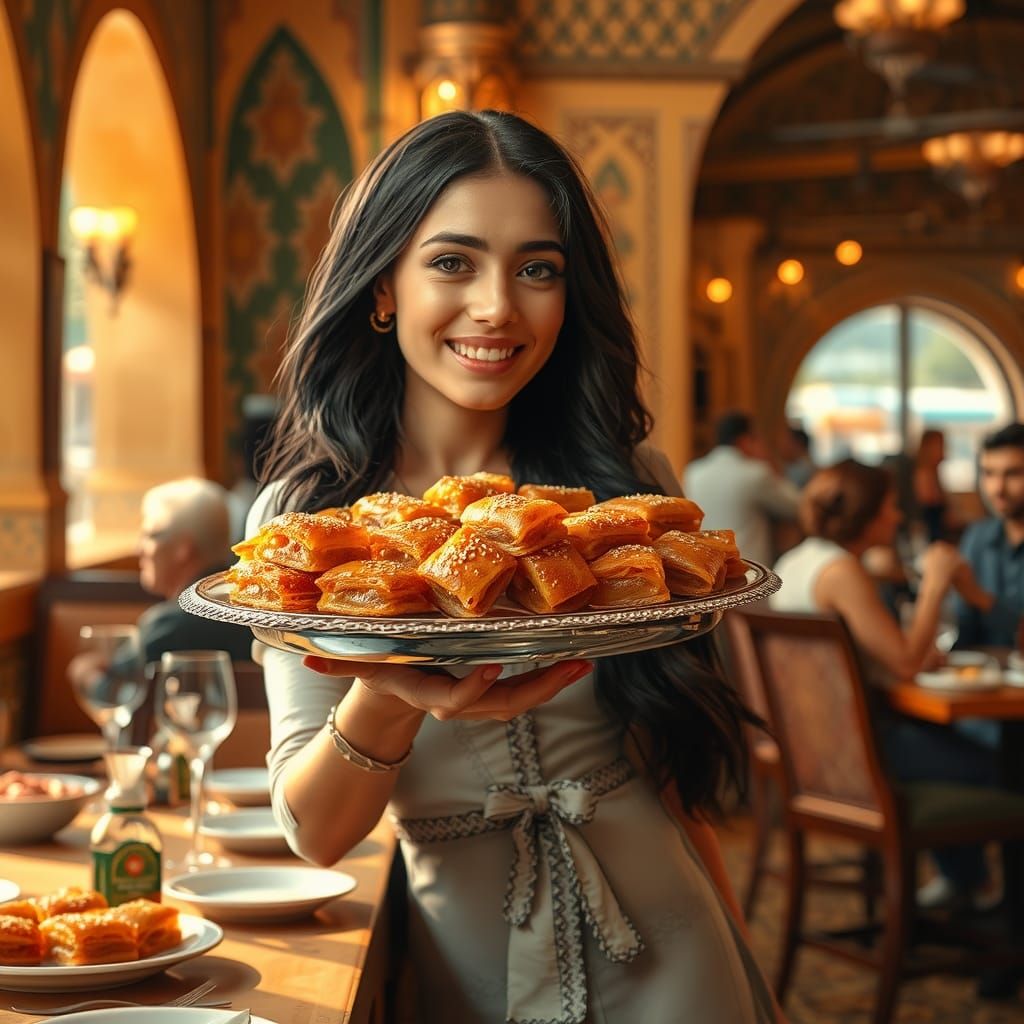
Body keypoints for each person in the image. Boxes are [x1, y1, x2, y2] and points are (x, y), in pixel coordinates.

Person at [249, 110, 777, 1024]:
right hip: (470, 969)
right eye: (453, 262)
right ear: (383, 288)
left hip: (673, 950)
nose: (497, 305)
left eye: (537, 268)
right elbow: (318, 832)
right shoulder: (305, 528)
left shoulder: (625, 493)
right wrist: (390, 689)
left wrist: (747, 974)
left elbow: (672, 780)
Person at [770, 459, 1001, 912]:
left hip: (818, 751)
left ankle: (961, 888)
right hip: (864, 754)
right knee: (1001, 769)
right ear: (867, 514)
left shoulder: (796, 562)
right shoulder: (839, 571)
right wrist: (935, 583)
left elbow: (881, 658)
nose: (896, 517)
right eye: (891, 507)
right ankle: (991, 906)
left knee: (954, 745)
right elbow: (906, 663)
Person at [67, 477, 254, 693]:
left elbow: (116, 694)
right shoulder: (255, 612)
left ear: (183, 549)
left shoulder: (172, 625)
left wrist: (84, 674)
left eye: (150, 535)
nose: (139, 548)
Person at [683, 410, 800, 568]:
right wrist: (769, 462)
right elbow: (796, 505)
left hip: (707, 567)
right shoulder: (756, 473)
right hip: (748, 570)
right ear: (745, 440)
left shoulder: (693, 472)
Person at [952, 422, 1024, 649]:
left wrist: (980, 598)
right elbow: (961, 630)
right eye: (988, 473)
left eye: (1013, 474)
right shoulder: (977, 538)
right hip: (981, 678)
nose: (997, 488)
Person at [912, 427, 949, 544]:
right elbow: (929, 503)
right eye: (940, 445)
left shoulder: (934, 473)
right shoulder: (923, 473)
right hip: (928, 533)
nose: (944, 449)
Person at [780, 423, 815, 490]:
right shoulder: (789, 465)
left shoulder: (805, 469)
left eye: (787, 441)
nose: (782, 446)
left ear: (798, 443)